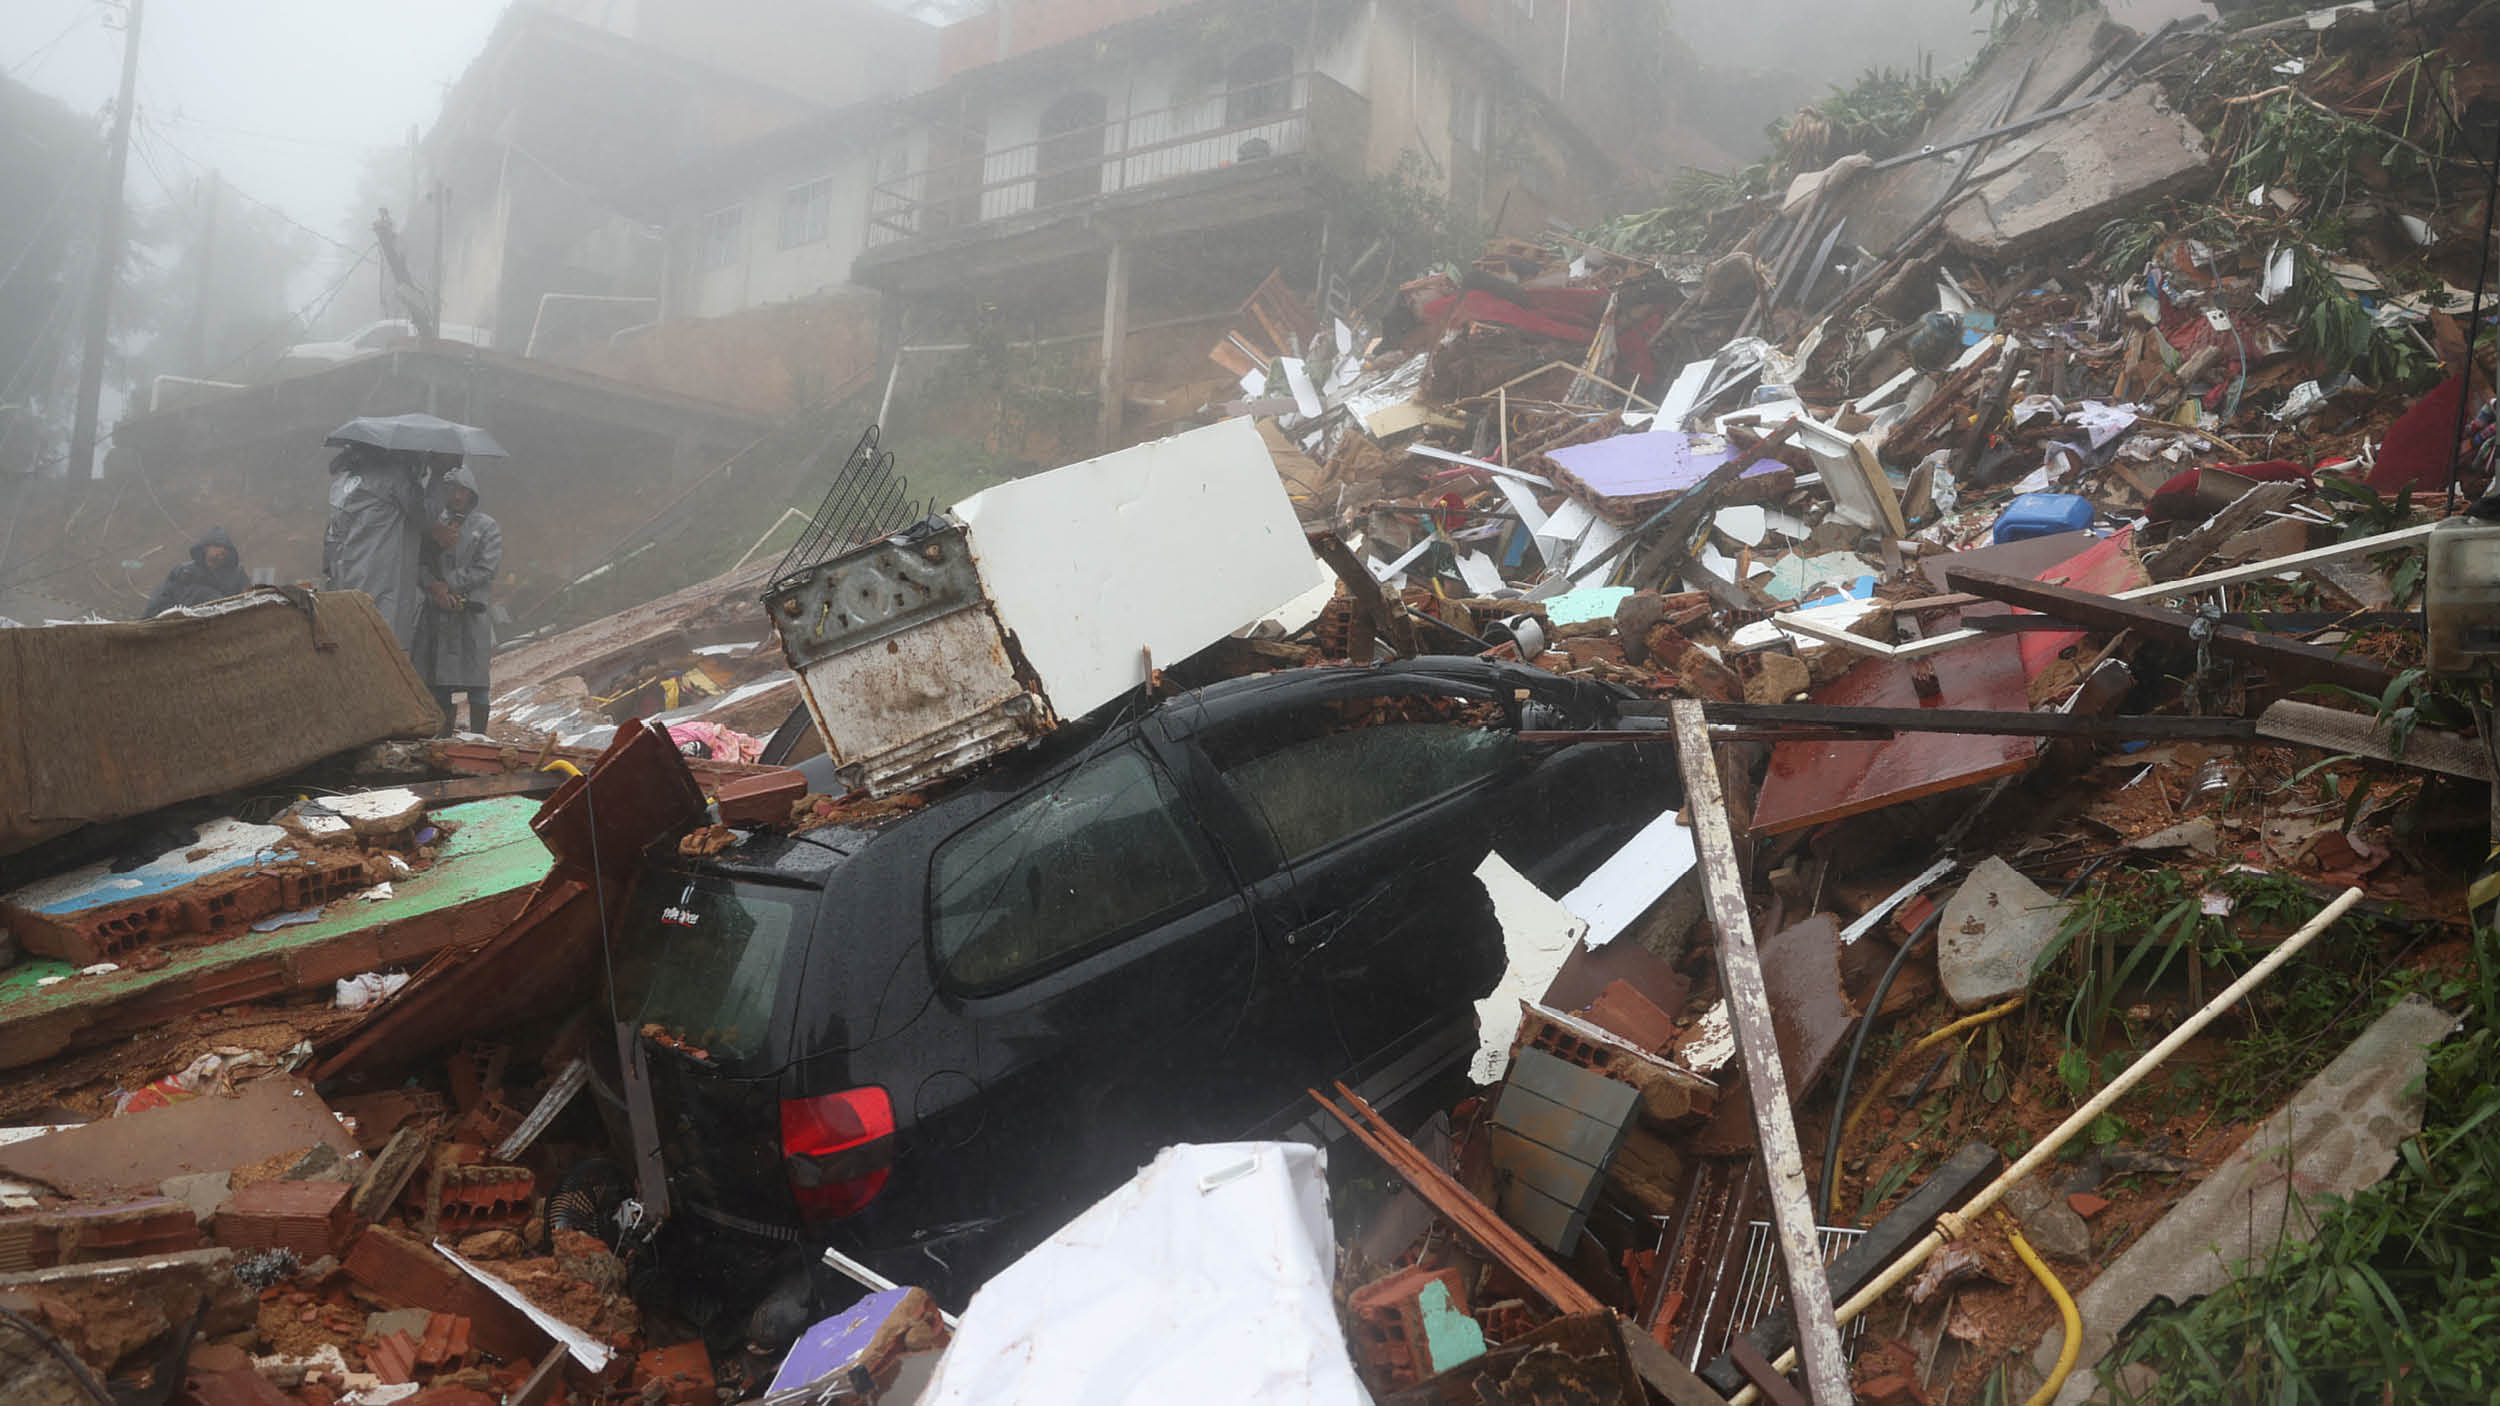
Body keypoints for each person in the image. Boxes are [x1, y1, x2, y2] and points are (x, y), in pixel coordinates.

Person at [415, 464, 502, 735]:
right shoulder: (432, 527)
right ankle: (443, 736)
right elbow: (418, 562)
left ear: (471, 492)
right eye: (451, 489)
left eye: (462, 490)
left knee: (477, 682)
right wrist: (434, 587)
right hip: (438, 614)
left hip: (471, 614)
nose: (456, 495)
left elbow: (486, 568)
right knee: (439, 681)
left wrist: (449, 584)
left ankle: (479, 736)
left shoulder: (486, 527)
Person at [323, 443, 428, 653]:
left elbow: (332, 537)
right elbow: (425, 515)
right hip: (384, 576)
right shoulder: (393, 478)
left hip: (345, 576)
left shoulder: (341, 484)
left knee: (354, 643)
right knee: (387, 647)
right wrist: (439, 477)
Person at [141, 527, 252, 618]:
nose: (222, 550)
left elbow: (249, 598)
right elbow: (161, 601)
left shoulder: (238, 574)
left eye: (226, 547)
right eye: (217, 545)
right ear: (205, 548)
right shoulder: (184, 572)